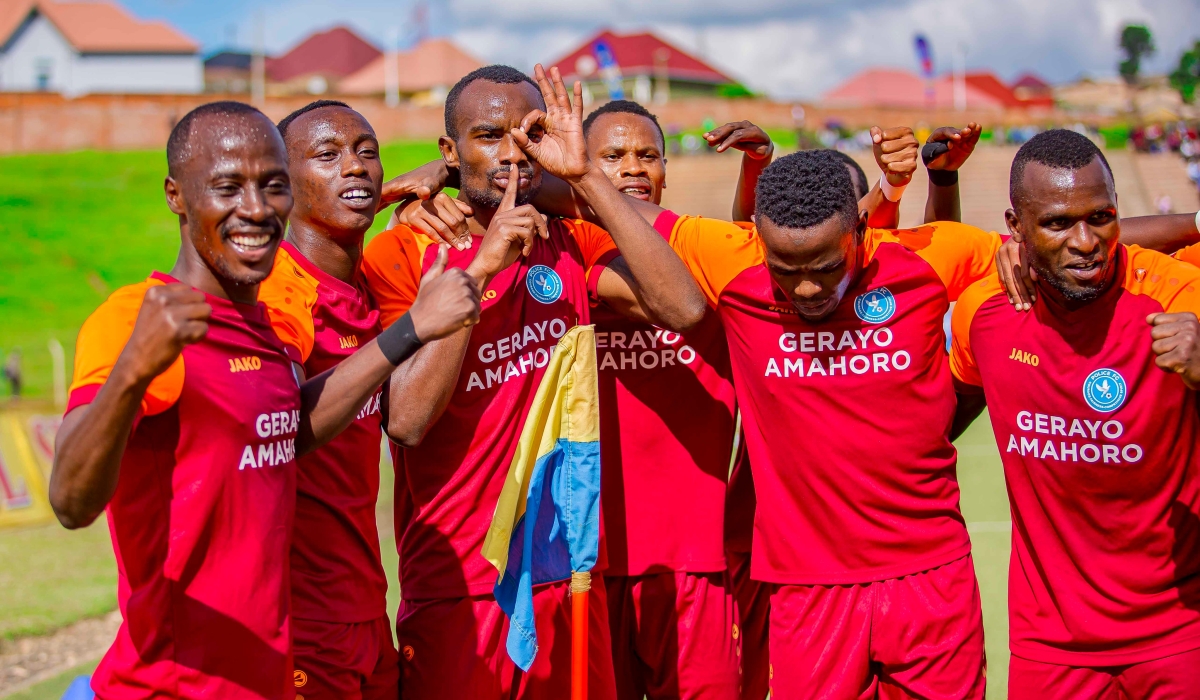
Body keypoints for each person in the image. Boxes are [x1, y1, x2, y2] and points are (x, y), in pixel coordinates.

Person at [48, 101, 481, 700]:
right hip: (171, 685)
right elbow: (70, 502)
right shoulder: (139, 318)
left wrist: (412, 321)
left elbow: (296, 426)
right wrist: (130, 373)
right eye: (227, 187)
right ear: (176, 195)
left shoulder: (264, 328)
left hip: (273, 669)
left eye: (272, 186)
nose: (253, 207)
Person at [360, 65, 707, 700]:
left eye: (527, 134)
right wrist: (484, 263)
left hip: (571, 574)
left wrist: (582, 175)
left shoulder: (568, 240)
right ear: (449, 152)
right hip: (461, 583)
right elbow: (406, 421)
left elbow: (682, 308)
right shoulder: (403, 253)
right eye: (487, 135)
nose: (509, 153)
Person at [665, 149, 1000, 698]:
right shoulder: (736, 269)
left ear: (862, 228)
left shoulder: (927, 261)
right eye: (785, 271)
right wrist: (574, 176)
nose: (806, 290)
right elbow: (619, 220)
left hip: (931, 578)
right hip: (806, 588)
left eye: (824, 268)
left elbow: (1058, 241)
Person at [950, 129, 1200, 698]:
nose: (1086, 242)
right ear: (1015, 229)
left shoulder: (1180, 295)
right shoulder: (984, 313)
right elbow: (933, 429)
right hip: (1051, 648)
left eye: (1101, 217)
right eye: (1059, 224)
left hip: (1181, 631)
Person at [254, 100, 398, 700]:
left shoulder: (364, 285)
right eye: (328, 155)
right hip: (300, 615)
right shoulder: (280, 294)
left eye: (367, 152)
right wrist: (409, 333)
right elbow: (281, 428)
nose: (356, 167)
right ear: (284, 184)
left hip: (367, 600)